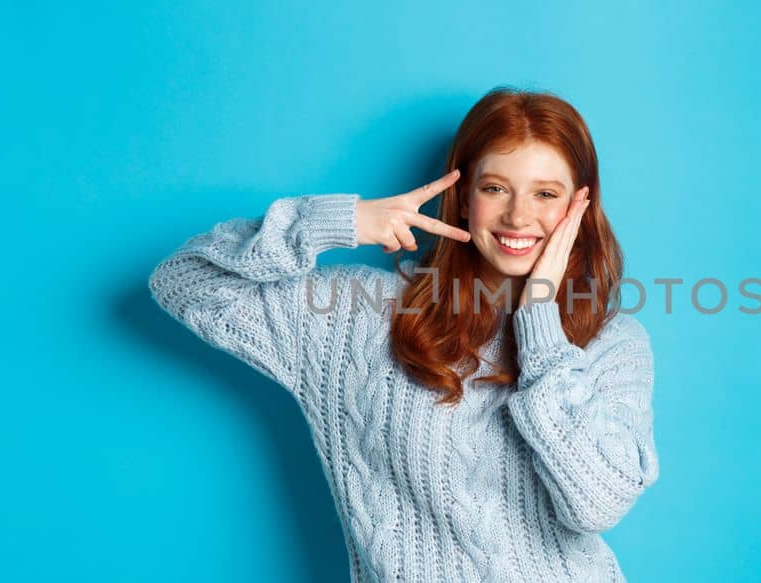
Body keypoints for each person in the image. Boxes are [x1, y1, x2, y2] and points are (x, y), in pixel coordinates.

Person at [148, 86, 659, 582]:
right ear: (462, 198)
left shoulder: (612, 343)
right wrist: (342, 221)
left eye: (545, 194)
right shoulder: (354, 317)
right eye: (495, 188)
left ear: (580, 207)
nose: (519, 215)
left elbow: (598, 504)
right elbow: (184, 280)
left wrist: (540, 321)